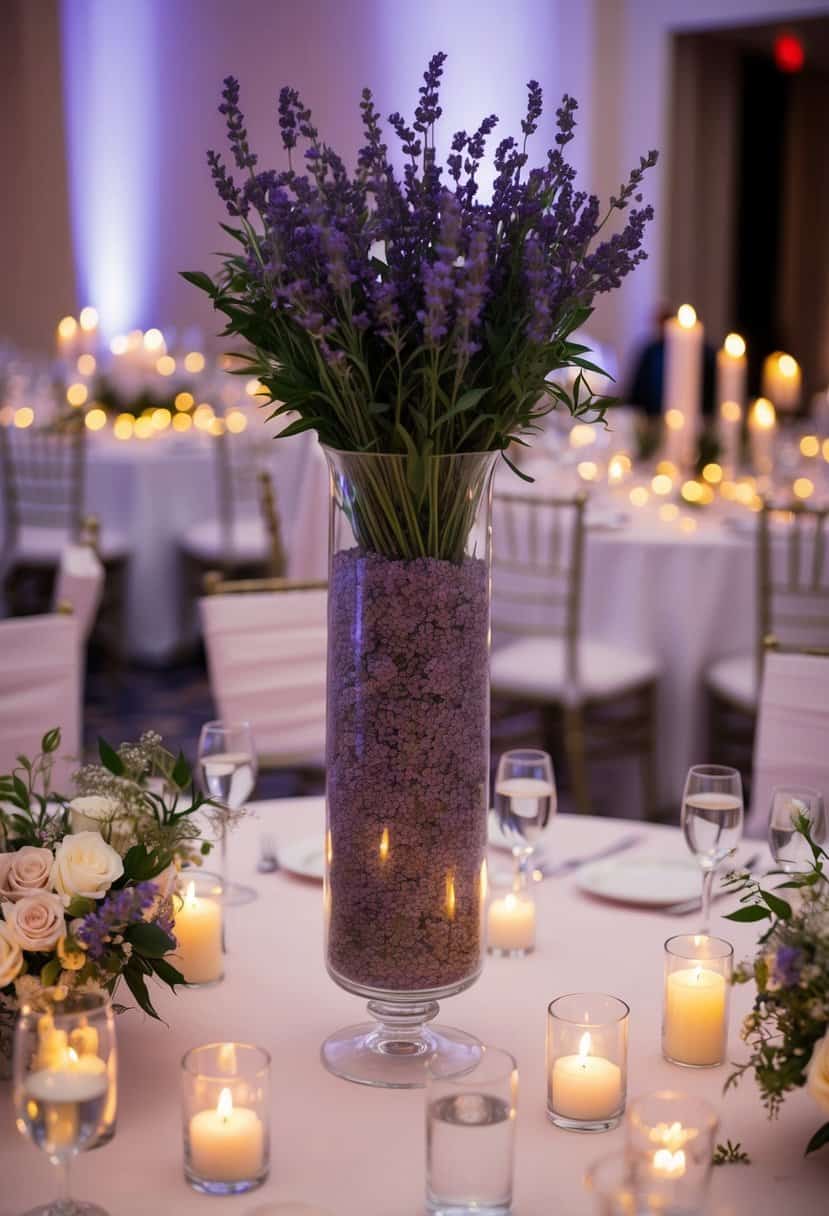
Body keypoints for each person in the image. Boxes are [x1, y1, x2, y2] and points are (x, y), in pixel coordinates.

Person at [627, 304, 716, 417]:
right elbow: (637, 390)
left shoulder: (703, 354)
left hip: (696, 415)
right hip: (654, 415)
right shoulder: (650, 352)